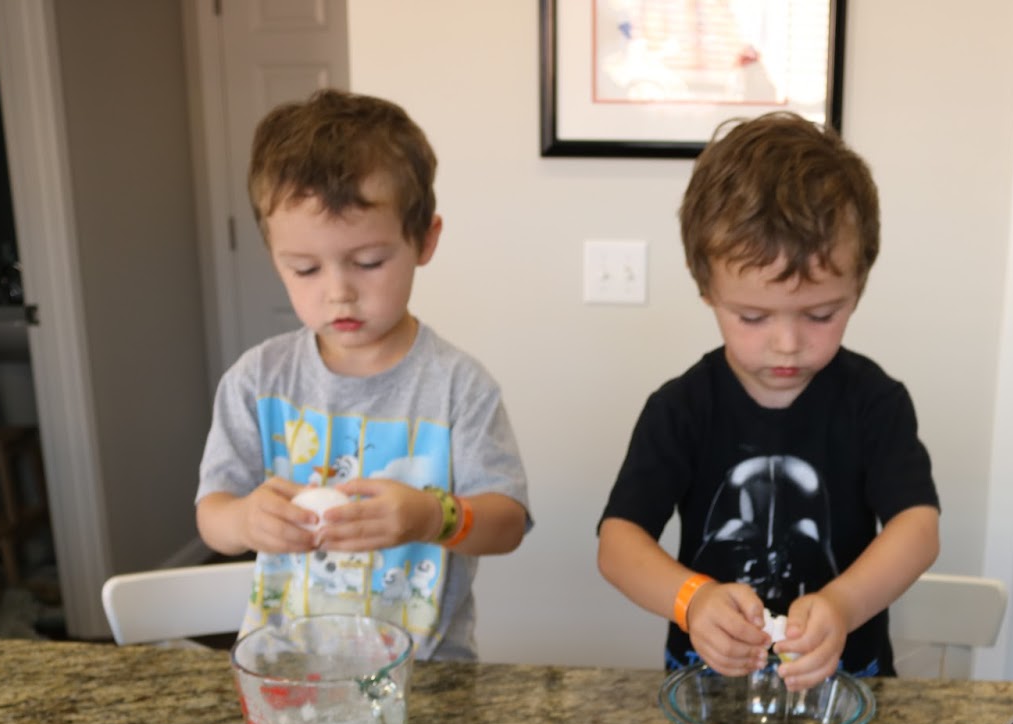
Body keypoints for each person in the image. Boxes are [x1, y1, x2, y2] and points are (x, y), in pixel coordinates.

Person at [597, 112, 940, 690]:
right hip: (708, 696)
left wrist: (841, 605)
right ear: (706, 286)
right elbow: (618, 543)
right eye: (752, 316)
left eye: (821, 314)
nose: (787, 343)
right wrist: (692, 599)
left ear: (859, 284)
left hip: (847, 692)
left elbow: (918, 528)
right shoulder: (681, 408)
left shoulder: (875, 403)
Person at [196, 89, 530, 659]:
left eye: (369, 262)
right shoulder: (258, 380)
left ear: (424, 240)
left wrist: (433, 514)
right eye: (304, 268)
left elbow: (507, 523)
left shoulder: (457, 386)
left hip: (426, 675)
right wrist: (248, 521)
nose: (338, 291)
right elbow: (213, 514)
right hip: (288, 668)